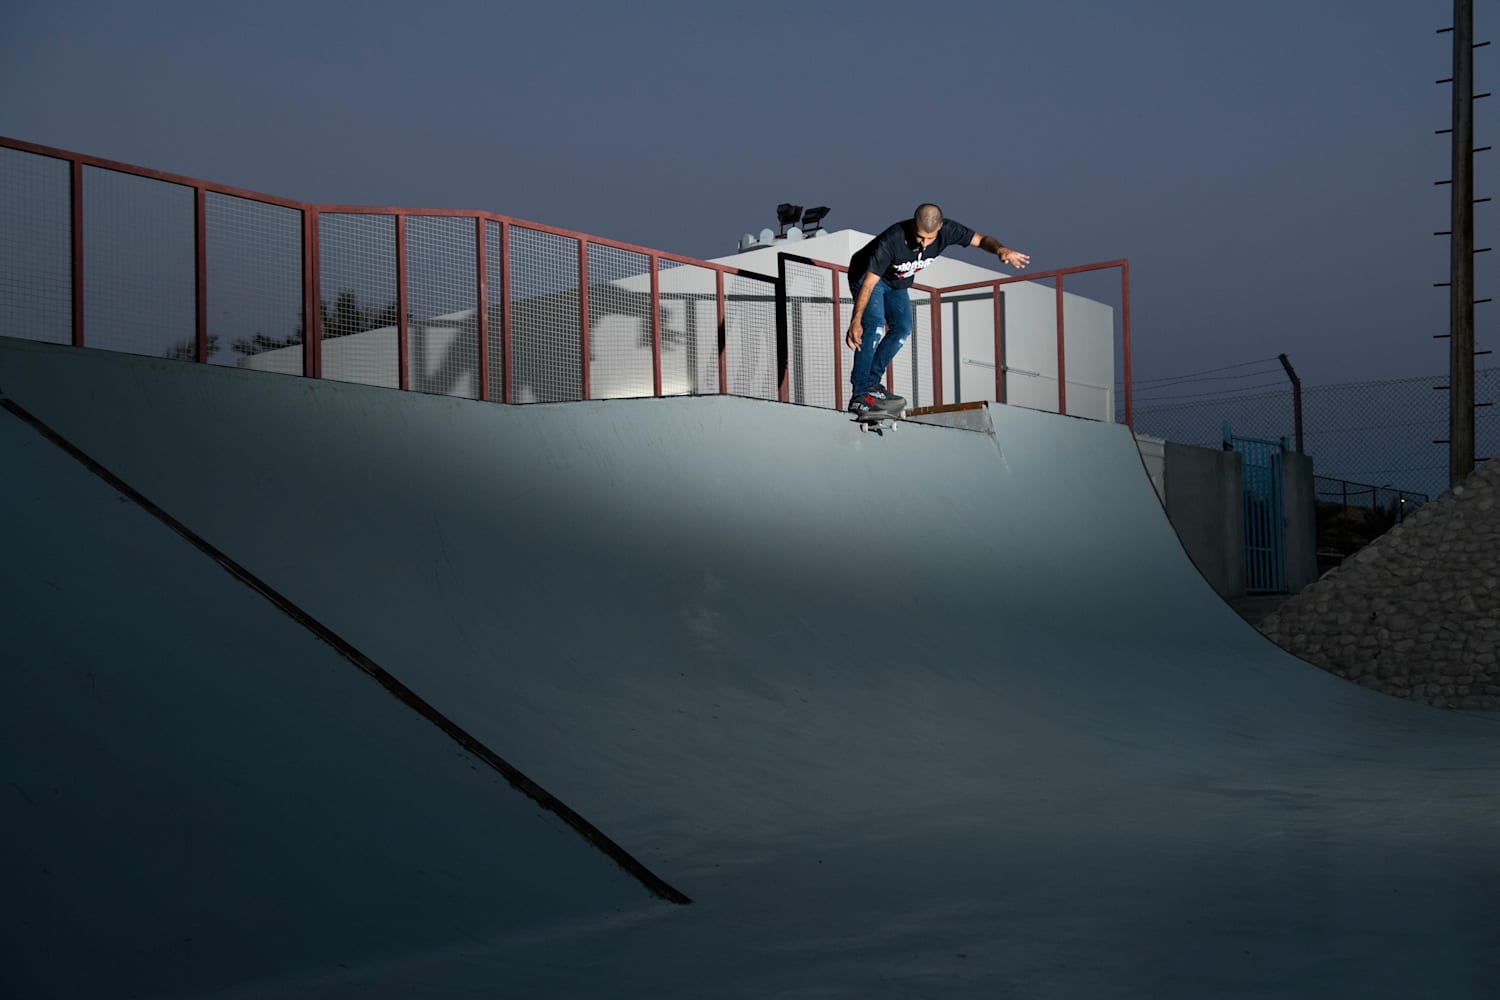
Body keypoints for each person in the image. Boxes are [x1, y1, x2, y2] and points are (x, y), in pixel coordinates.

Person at [845, 203, 1030, 416]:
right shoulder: (892, 240)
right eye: (919, 237)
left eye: (929, 239)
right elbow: (868, 283)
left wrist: (1000, 249)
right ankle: (859, 395)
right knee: (874, 326)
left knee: (902, 329)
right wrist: (856, 319)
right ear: (913, 225)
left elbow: (981, 240)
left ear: (940, 228)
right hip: (867, 275)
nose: (923, 244)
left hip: (897, 283)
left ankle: (871, 385)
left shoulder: (949, 230)